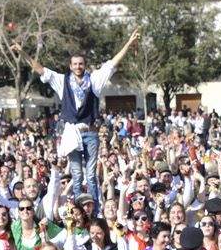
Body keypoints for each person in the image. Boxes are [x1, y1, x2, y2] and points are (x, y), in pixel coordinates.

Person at [19, 29, 141, 201]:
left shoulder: (95, 80)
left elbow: (112, 63)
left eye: (81, 64)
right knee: (76, 175)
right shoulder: (62, 81)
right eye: (75, 64)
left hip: (90, 133)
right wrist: (22, 52)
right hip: (71, 134)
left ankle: (95, 208)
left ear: (85, 65)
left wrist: (128, 43)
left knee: (91, 175)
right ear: (70, 66)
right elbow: (40, 69)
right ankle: (78, 209)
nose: (78, 67)